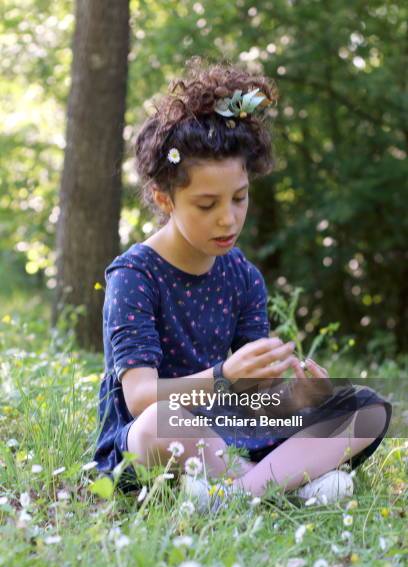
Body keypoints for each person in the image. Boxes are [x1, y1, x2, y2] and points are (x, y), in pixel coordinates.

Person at [93, 56, 392, 507]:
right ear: (164, 198)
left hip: (231, 430)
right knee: (158, 423)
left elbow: (257, 395)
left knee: (366, 407)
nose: (228, 219)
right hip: (159, 438)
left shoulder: (242, 275)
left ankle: (235, 493)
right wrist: (223, 376)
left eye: (239, 197)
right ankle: (284, 485)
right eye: (207, 204)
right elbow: (137, 398)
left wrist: (299, 396)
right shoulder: (135, 275)